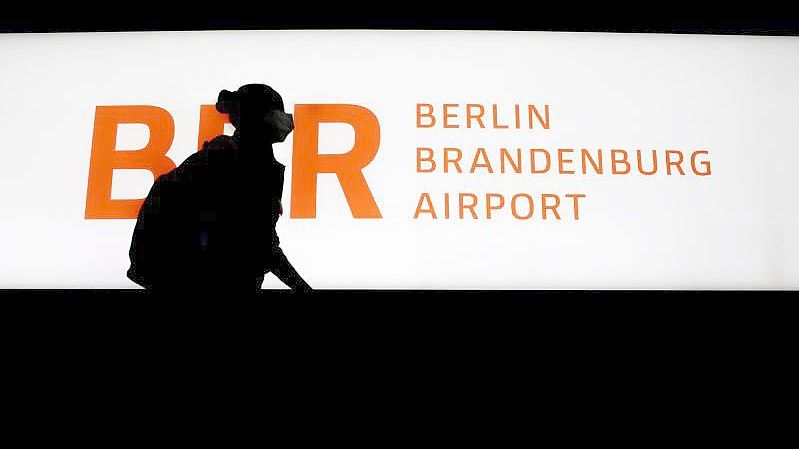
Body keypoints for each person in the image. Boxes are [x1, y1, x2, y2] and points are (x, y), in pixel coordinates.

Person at [126, 84, 312, 296]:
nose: (285, 120)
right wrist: (303, 290)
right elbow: (258, 244)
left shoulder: (250, 164)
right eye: (276, 113)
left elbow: (261, 242)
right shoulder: (227, 163)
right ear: (259, 118)